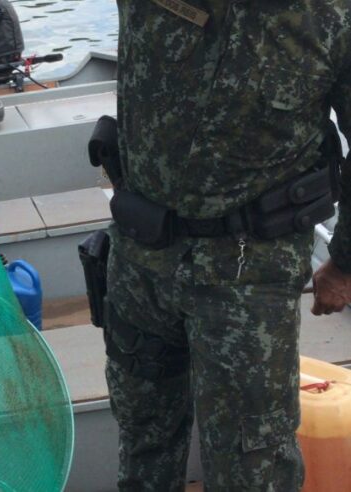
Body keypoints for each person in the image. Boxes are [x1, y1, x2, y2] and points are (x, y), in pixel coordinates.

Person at [104, 1, 351, 490]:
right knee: (143, 439)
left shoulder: (333, 16)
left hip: (248, 279)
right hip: (140, 260)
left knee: (252, 464)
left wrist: (342, 263)